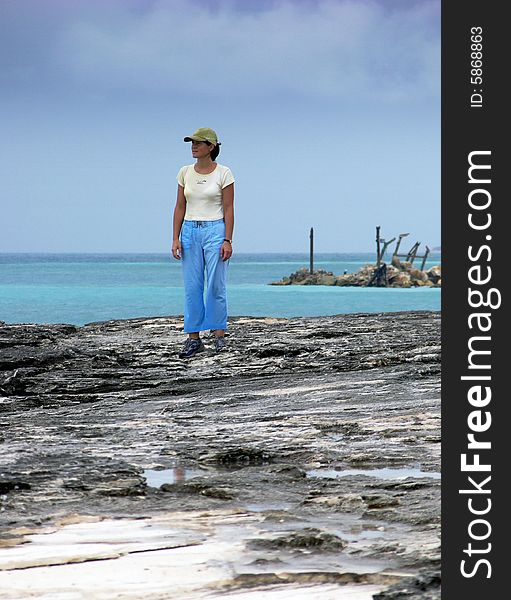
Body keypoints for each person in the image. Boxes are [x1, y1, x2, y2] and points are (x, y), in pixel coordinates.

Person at [171, 128, 235, 358]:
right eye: (192, 142)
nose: (193, 146)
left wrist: (227, 239)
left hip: (215, 230)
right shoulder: (184, 172)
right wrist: (175, 237)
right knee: (192, 285)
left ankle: (219, 335)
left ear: (212, 146)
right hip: (189, 230)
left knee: (216, 285)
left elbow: (229, 208)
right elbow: (180, 206)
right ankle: (193, 338)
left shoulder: (224, 173)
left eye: (199, 143)